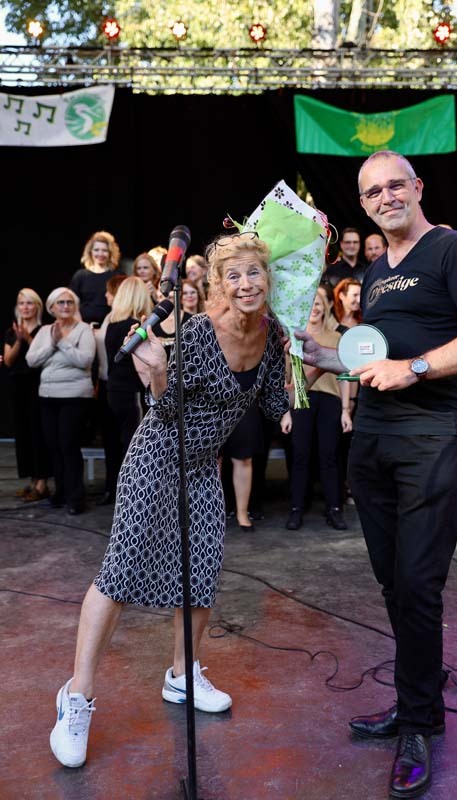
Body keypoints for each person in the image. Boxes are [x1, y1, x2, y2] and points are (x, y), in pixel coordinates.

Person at [296, 150, 457, 799]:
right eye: (373, 191)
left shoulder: (452, 249)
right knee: (394, 580)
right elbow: (371, 357)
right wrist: (319, 352)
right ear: (363, 206)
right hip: (374, 440)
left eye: (396, 185)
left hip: (430, 437)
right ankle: (421, 696)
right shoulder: (375, 272)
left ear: (417, 188)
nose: (386, 196)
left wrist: (415, 369)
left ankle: (418, 724)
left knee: (417, 583)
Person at [49, 232, 289, 769]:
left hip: (202, 466)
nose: (246, 284)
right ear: (219, 285)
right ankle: (77, 696)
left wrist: (312, 367)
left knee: (201, 569)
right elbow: (166, 410)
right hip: (158, 454)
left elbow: (276, 403)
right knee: (120, 571)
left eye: (254, 272)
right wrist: (158, 371)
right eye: (234, 275)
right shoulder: (200, 332)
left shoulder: (273, 334)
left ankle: (182, 675)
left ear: (267, 279)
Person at [285, 291, 352, 531]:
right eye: (311, 304)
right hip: (302, 398)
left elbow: (344, 376)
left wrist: (345, 410)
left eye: (319, 304)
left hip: (330, 399)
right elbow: (287, 377)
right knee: (300, 455)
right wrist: (285, 412)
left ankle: (335, 509)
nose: (315, 308)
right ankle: (297, 508)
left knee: (330, 455)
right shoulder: (295, 338)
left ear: (326, 308)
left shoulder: (336, 337)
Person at [26, 288, 96, 515]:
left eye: (69, 302)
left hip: (75, 397)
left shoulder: (84, 330)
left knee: (68, 444)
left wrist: (63, 343)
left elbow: (85, 360)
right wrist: (52, 345)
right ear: (51, 307)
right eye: (61, 303)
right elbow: (31, 360)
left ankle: (76, 498)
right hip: (47, 396)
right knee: (54, 446)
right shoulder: (45, 331)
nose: (66, 306)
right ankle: (60, 493)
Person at [103, 276, 153, 494]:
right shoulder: (134, 327)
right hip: (132, 392)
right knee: (135, 445)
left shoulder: (112, 325)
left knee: (121, 441)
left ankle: (118, 490)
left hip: (114, 391)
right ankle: (132, 493)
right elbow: (141, 367)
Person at [3, 288, 50, 501]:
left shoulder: (44, 330)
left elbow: (42, 356)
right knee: (23, 433)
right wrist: (19, 340)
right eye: (22, 303)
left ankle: (42, 483)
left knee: (38, 432)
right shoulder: (11, 331)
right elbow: (8, 361)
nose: (25, 307)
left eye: (29, 303)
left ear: (37, 306)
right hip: (17, 386)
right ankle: (32, 481)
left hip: (37, 385)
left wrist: (28, 338)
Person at [93, 273, 128, 505]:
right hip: (105, 383)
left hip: (121, 387)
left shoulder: (124, 320)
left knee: (124, 441)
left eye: (109, 292)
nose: (106, 295)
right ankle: (110, 486)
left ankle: (123, 489)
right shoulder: (108, 317)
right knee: (109, 440)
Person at [71, 231, 122, 325]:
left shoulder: (118, 276)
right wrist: (82, 327)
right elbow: (72, 303)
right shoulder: (80, 275)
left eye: (104, 250)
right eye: (96, 250)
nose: (100, 254)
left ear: (110, 253)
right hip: (83, 326)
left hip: (111, 325)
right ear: (90, 252)